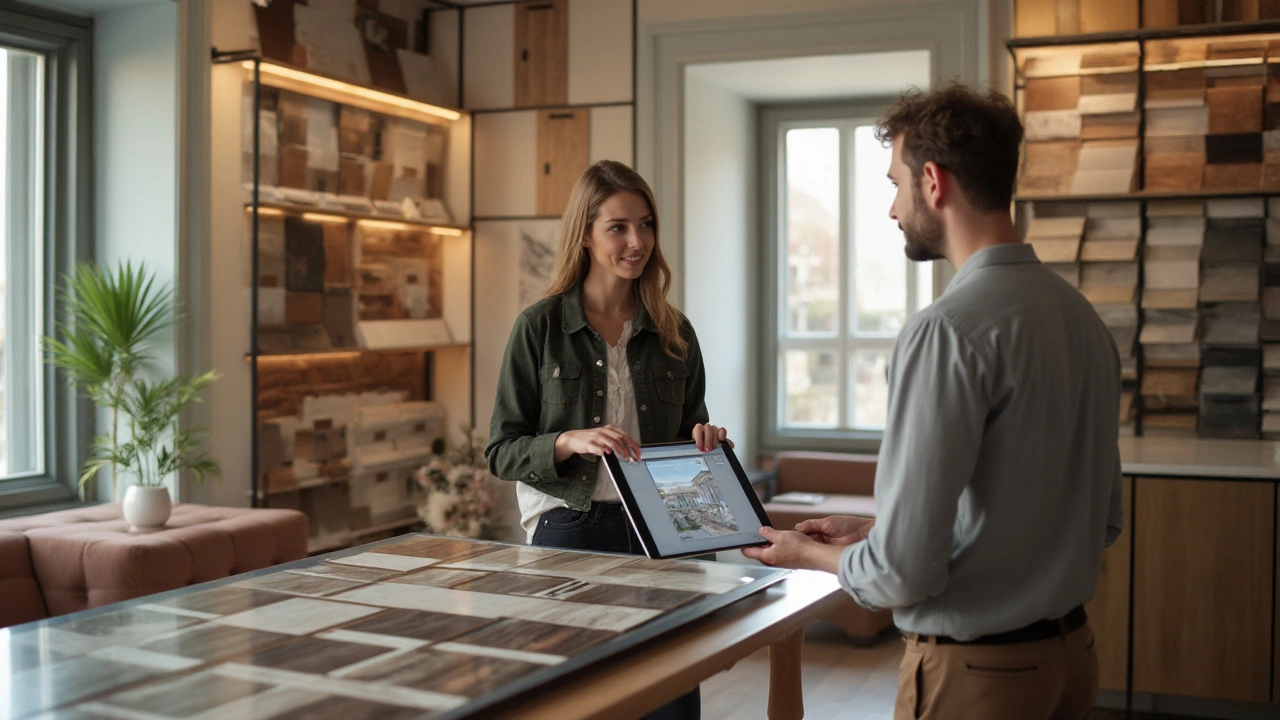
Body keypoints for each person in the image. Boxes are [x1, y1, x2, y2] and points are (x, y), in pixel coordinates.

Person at [744, 83, 1124, 720]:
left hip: (978, 678)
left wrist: (804, 552)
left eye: (895, 184)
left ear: (933, 182)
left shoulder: (944, 330)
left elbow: (897, 576)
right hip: (1072, 662)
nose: (893, 209)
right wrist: (874, 532)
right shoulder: (1080, 317)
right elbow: (1096, 518)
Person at [485, 159, 729, 720]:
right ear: (586, 234)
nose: (637, 241)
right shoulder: (540, 328)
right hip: (571, 527)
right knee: (577, 702)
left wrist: (706, 437)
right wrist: (568, 440)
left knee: (671, 699)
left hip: (665, 535)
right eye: (618, 227)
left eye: (645, 225)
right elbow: (501, 450)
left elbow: (693, 438)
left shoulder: (675, 331)